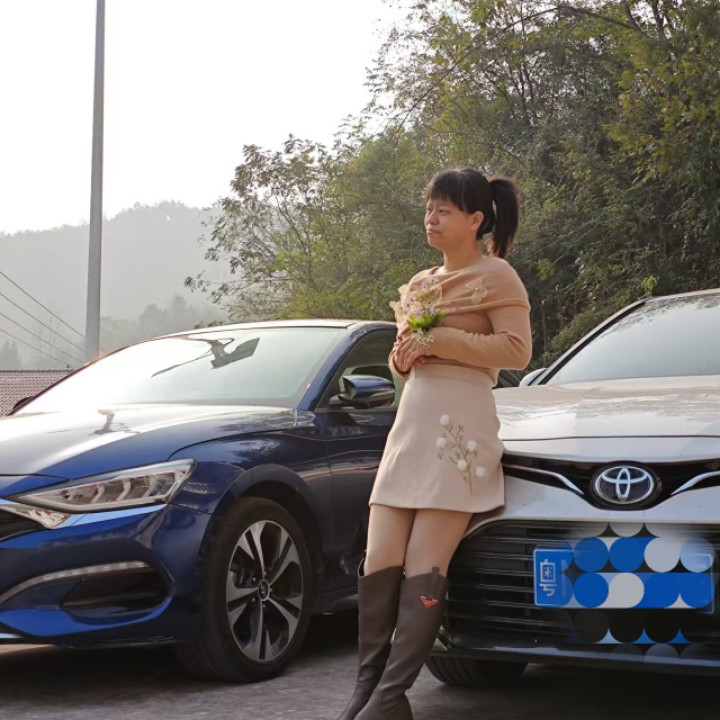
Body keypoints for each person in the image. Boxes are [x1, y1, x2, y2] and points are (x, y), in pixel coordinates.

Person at [336, 168, 533, 720]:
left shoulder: (497, 275)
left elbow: (516, 350)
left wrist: (442, 338)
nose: (432, 218)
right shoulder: (420, 282)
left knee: (425, 566)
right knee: (380, 559)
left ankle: (389, 698)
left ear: (475, 220)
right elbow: (403, 359)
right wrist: (404, 356)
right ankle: (368, 690)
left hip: (460, 426)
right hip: (411, 425)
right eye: (429, 208)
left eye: (444, 210)